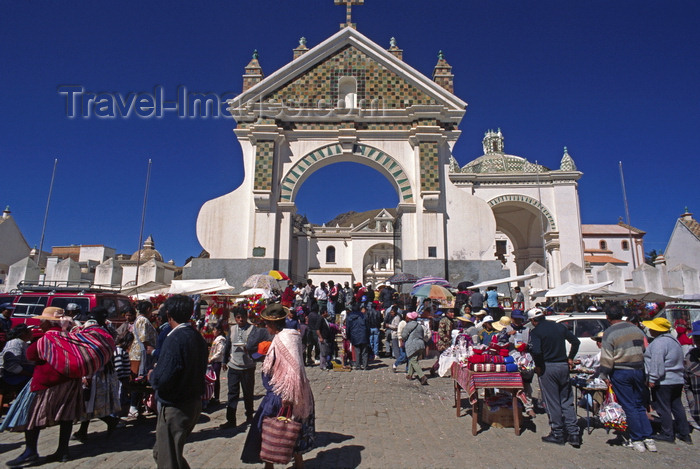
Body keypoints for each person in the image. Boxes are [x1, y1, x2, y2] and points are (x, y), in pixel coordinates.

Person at [2, 306, 115, 466]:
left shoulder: (47, 338)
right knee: (66, 417)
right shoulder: (71, 336)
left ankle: (30, 451)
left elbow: (31, 355)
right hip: (70, 383)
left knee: (34, 417)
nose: (40, 323)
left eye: (42, 320)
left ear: (49, 322)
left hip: (48, 383)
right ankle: (63, 451)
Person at [241, 304, 315, 468]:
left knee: (271, 429)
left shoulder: (284, 339)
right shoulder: (292, 336)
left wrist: (287, 397)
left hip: (283, 393)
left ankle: (270, 464)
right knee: (294, 429)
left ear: (273, 324)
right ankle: (298, 463)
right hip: (295, 391)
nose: (265, 327)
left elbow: (292, 371)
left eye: (267, 324)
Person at [149, 295, 208, 469]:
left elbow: (164, 377)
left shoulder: (175, 339)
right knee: (163, 452)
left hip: (176, 405)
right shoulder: (196, 337)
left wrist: (153, 375)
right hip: (192, 402)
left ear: (168, 314)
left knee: (168, 460)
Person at [598, 305, 656, 453]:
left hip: (621, 371)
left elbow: (607, 357)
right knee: (639, 404)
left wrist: (604, 374)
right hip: (638, 369)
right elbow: (644, 350)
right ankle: (648, 438)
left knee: (629, 406)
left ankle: (637, 439)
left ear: (607, 317)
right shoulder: (635, 329)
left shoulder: (609, 333)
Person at [528, 307, 581, 447]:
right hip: (563, 366)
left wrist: (538, 366)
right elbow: (576, 342)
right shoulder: (559, 327)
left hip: (548, 367)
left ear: (533, 320)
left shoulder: (536, 332)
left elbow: (537, 351)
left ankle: (557, 433)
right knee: (567, 400)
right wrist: (570, 358)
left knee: (552, 402)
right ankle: (574, 433)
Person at [72, 307, 122, 443]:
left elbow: (88, 354)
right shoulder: (105, 330)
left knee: (89, 402)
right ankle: (84, 430)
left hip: (94, 372)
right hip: (104, 370)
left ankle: (109, 421)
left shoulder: (90, 331)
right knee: (90, 402)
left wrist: (85, 376)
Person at [642, 317, 691, 444]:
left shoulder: (659, 343)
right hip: (676, 379)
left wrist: (652, 379)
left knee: (663, 407)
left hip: (664, 381)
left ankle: (667, 433)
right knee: (677, 406)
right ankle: (684, 432)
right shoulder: (674, 341)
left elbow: (657, 363)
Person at [221, 307, 270, 428]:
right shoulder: (232, 329)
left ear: (246, 317)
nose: (241, 319)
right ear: (235, 318)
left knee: (248, 393)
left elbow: (262, 343)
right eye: (238, 317)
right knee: (232, 393)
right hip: (233, 366)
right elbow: (227, 346)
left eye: (243, 317)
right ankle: (231, 420)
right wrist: (224, 361)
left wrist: (255, 354)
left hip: (248, 367)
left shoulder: (253, 329)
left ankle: (249, 416)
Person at [128, 301, 158, 418]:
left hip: (142, 353)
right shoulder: (142, 320)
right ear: (148, 309)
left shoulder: (141, 320)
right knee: (139, 380)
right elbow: (144, 338)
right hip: (142, 354)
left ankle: (137, 406)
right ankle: (133, 407)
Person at [0, 324, 34, 395]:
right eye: (29, 331)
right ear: (23, 333)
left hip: (21, 375)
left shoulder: (24, 343)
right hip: (12, 377)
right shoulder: (15, 343)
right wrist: (31, 374)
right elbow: (11, 366)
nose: (32, 333)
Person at [402, 312, 428, 385]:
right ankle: (409, 375)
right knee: (413, 359)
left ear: (410, 318)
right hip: (420, 344)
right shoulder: (420, 326)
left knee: (413, 361)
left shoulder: (409, 325)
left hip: (412, 345)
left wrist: (403, 339)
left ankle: (422, 376)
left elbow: (404, 335)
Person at [685, 320, 700, 429]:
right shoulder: (691, 356)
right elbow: (687, 384)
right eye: (696, 338)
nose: (697, 340)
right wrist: (692, 404)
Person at [431, 308, 455, 375]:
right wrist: (446, 339)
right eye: (451, 312)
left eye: (453, 312)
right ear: (447, 314)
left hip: (449, 342)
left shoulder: (452, 321)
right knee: (443, 358)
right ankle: (434, 369)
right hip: (443, 343)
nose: (452, 314)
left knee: (446, 358)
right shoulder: (443, 320)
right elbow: (440, 331)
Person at [346, 304, 370, 370]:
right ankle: (365, 366)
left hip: (354, 335)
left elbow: (348, 328)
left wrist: (348, 336)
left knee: (357, 351)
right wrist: (368, 334)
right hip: (363, 334)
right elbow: (367, 326)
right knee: (364, 351)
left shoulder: (349, 317)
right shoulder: (363, 316)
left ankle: (358, 365)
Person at [208, 324, 226, 405]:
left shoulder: (221, 339)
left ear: (219, 331)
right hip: (213, 361)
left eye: (214, 330)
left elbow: (220, 351)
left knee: (216, 379)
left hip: (217, 361)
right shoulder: (217, 339)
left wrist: (212, 358)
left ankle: (217, 397)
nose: (213, 332)